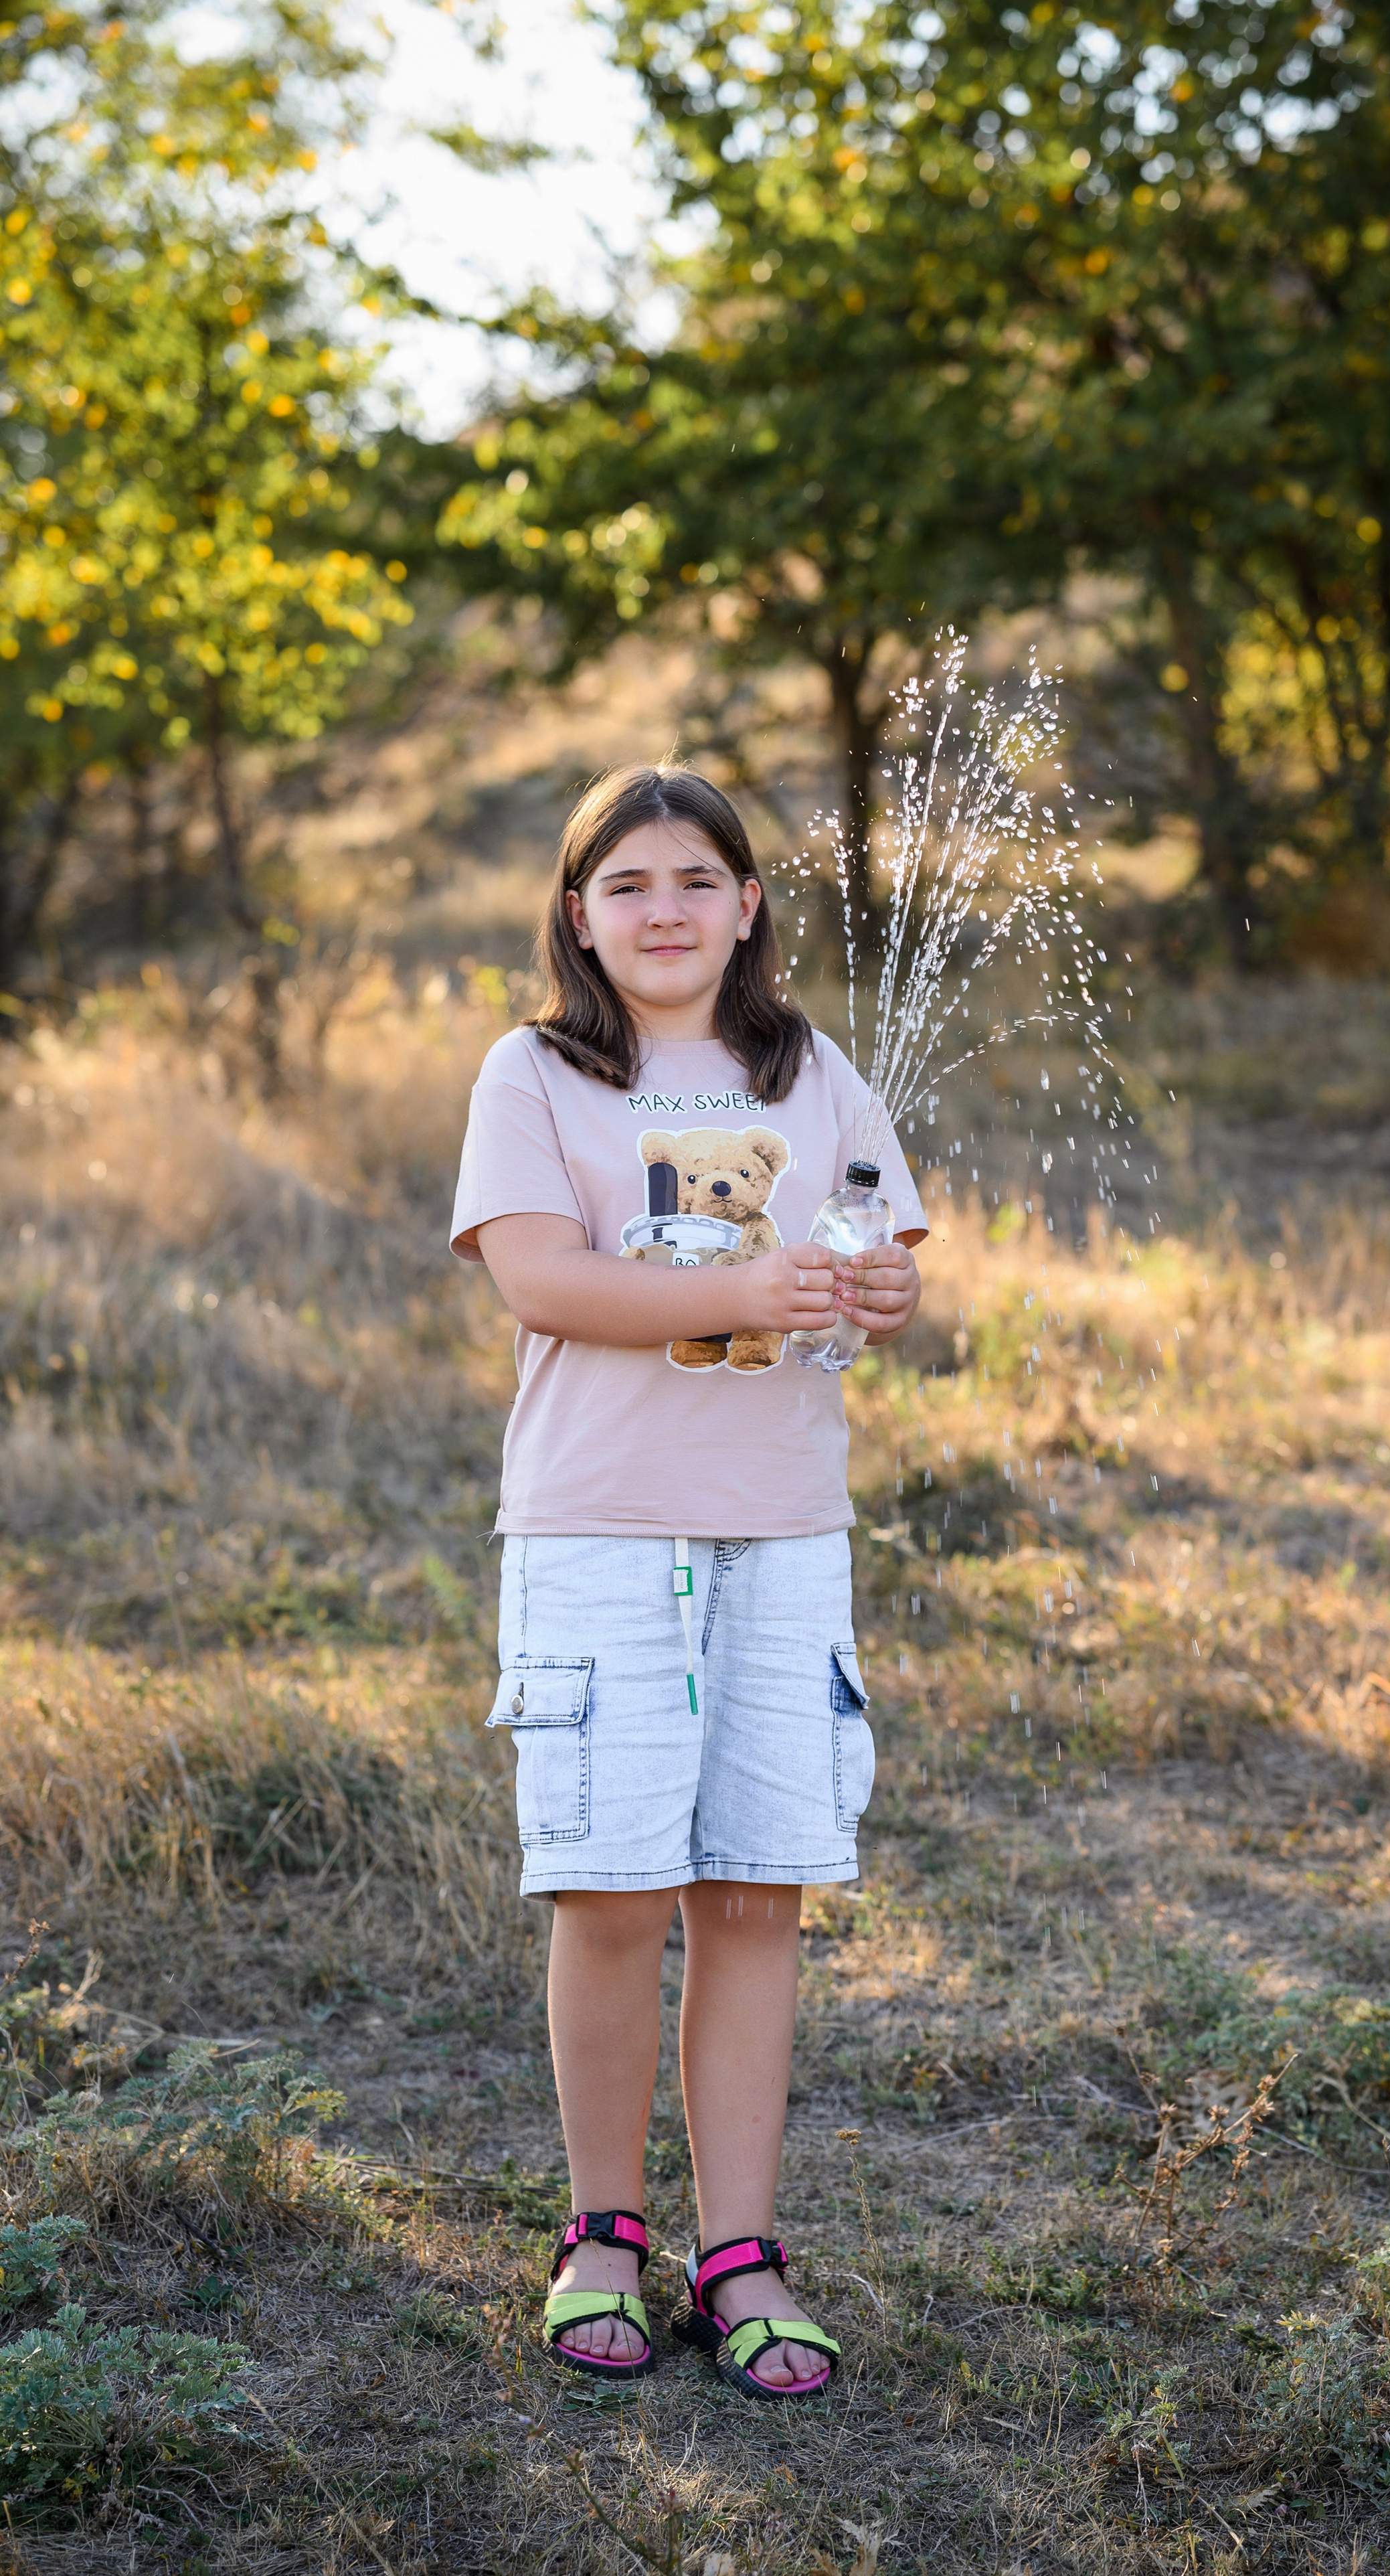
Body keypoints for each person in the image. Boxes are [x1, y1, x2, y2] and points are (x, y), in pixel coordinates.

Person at [450, 764, 926, 2401]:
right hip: (598, 1527)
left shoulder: (808, 1070)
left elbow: (884, 1259)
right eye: (628, 884)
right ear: (579, 913)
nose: (664, 911)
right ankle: (602, 2230)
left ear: (746, 906)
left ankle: (741, 2251)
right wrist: (740, 1274)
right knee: (612, 1891)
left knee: (752, 1891)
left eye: (695, 881)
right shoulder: (537, 1073)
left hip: (782, 1528)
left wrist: (870, 1287)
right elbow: (541, 1277)